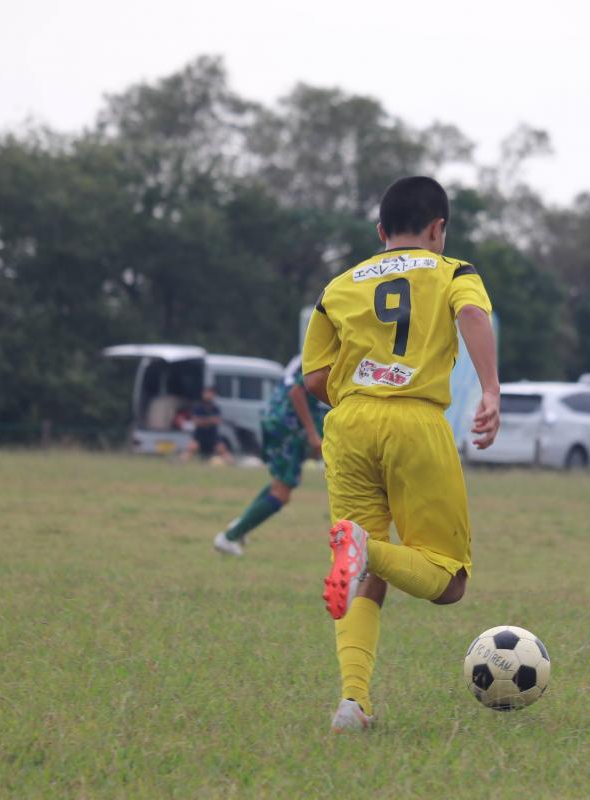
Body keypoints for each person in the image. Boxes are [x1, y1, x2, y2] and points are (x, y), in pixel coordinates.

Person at [301, 176, 500, 733]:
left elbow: (314, 376)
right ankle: (366, 549)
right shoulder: (454, 271)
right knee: (448, 581)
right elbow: (473, 317)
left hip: (349, 424)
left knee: (365, 575)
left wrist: (362, 396)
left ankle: (353, 703)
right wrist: (490, 390)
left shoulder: (339, 285)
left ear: (380, 230)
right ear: (438, 228)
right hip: (415, 422)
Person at [213, 355, 327, 556]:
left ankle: (240, 526)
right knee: (282, 493)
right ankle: (229, 537)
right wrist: (312, 433)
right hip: (289, 427)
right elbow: (296, 392)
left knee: (279, 485)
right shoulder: (325, 353)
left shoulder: (311, 350)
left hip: (279, 420)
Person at [182, 387, 233, 464]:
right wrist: (209, 420)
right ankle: (180, 463)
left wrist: (203, 421)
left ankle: (233, 464)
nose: (208, 396)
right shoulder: (198, 408)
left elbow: (217, 421)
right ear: (203, 395)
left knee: (223, 449)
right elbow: (196, 422)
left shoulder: (216, 408)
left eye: (211, 394)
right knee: (191, 448)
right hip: (199, 436)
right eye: (207, 393)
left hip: (213, 436)